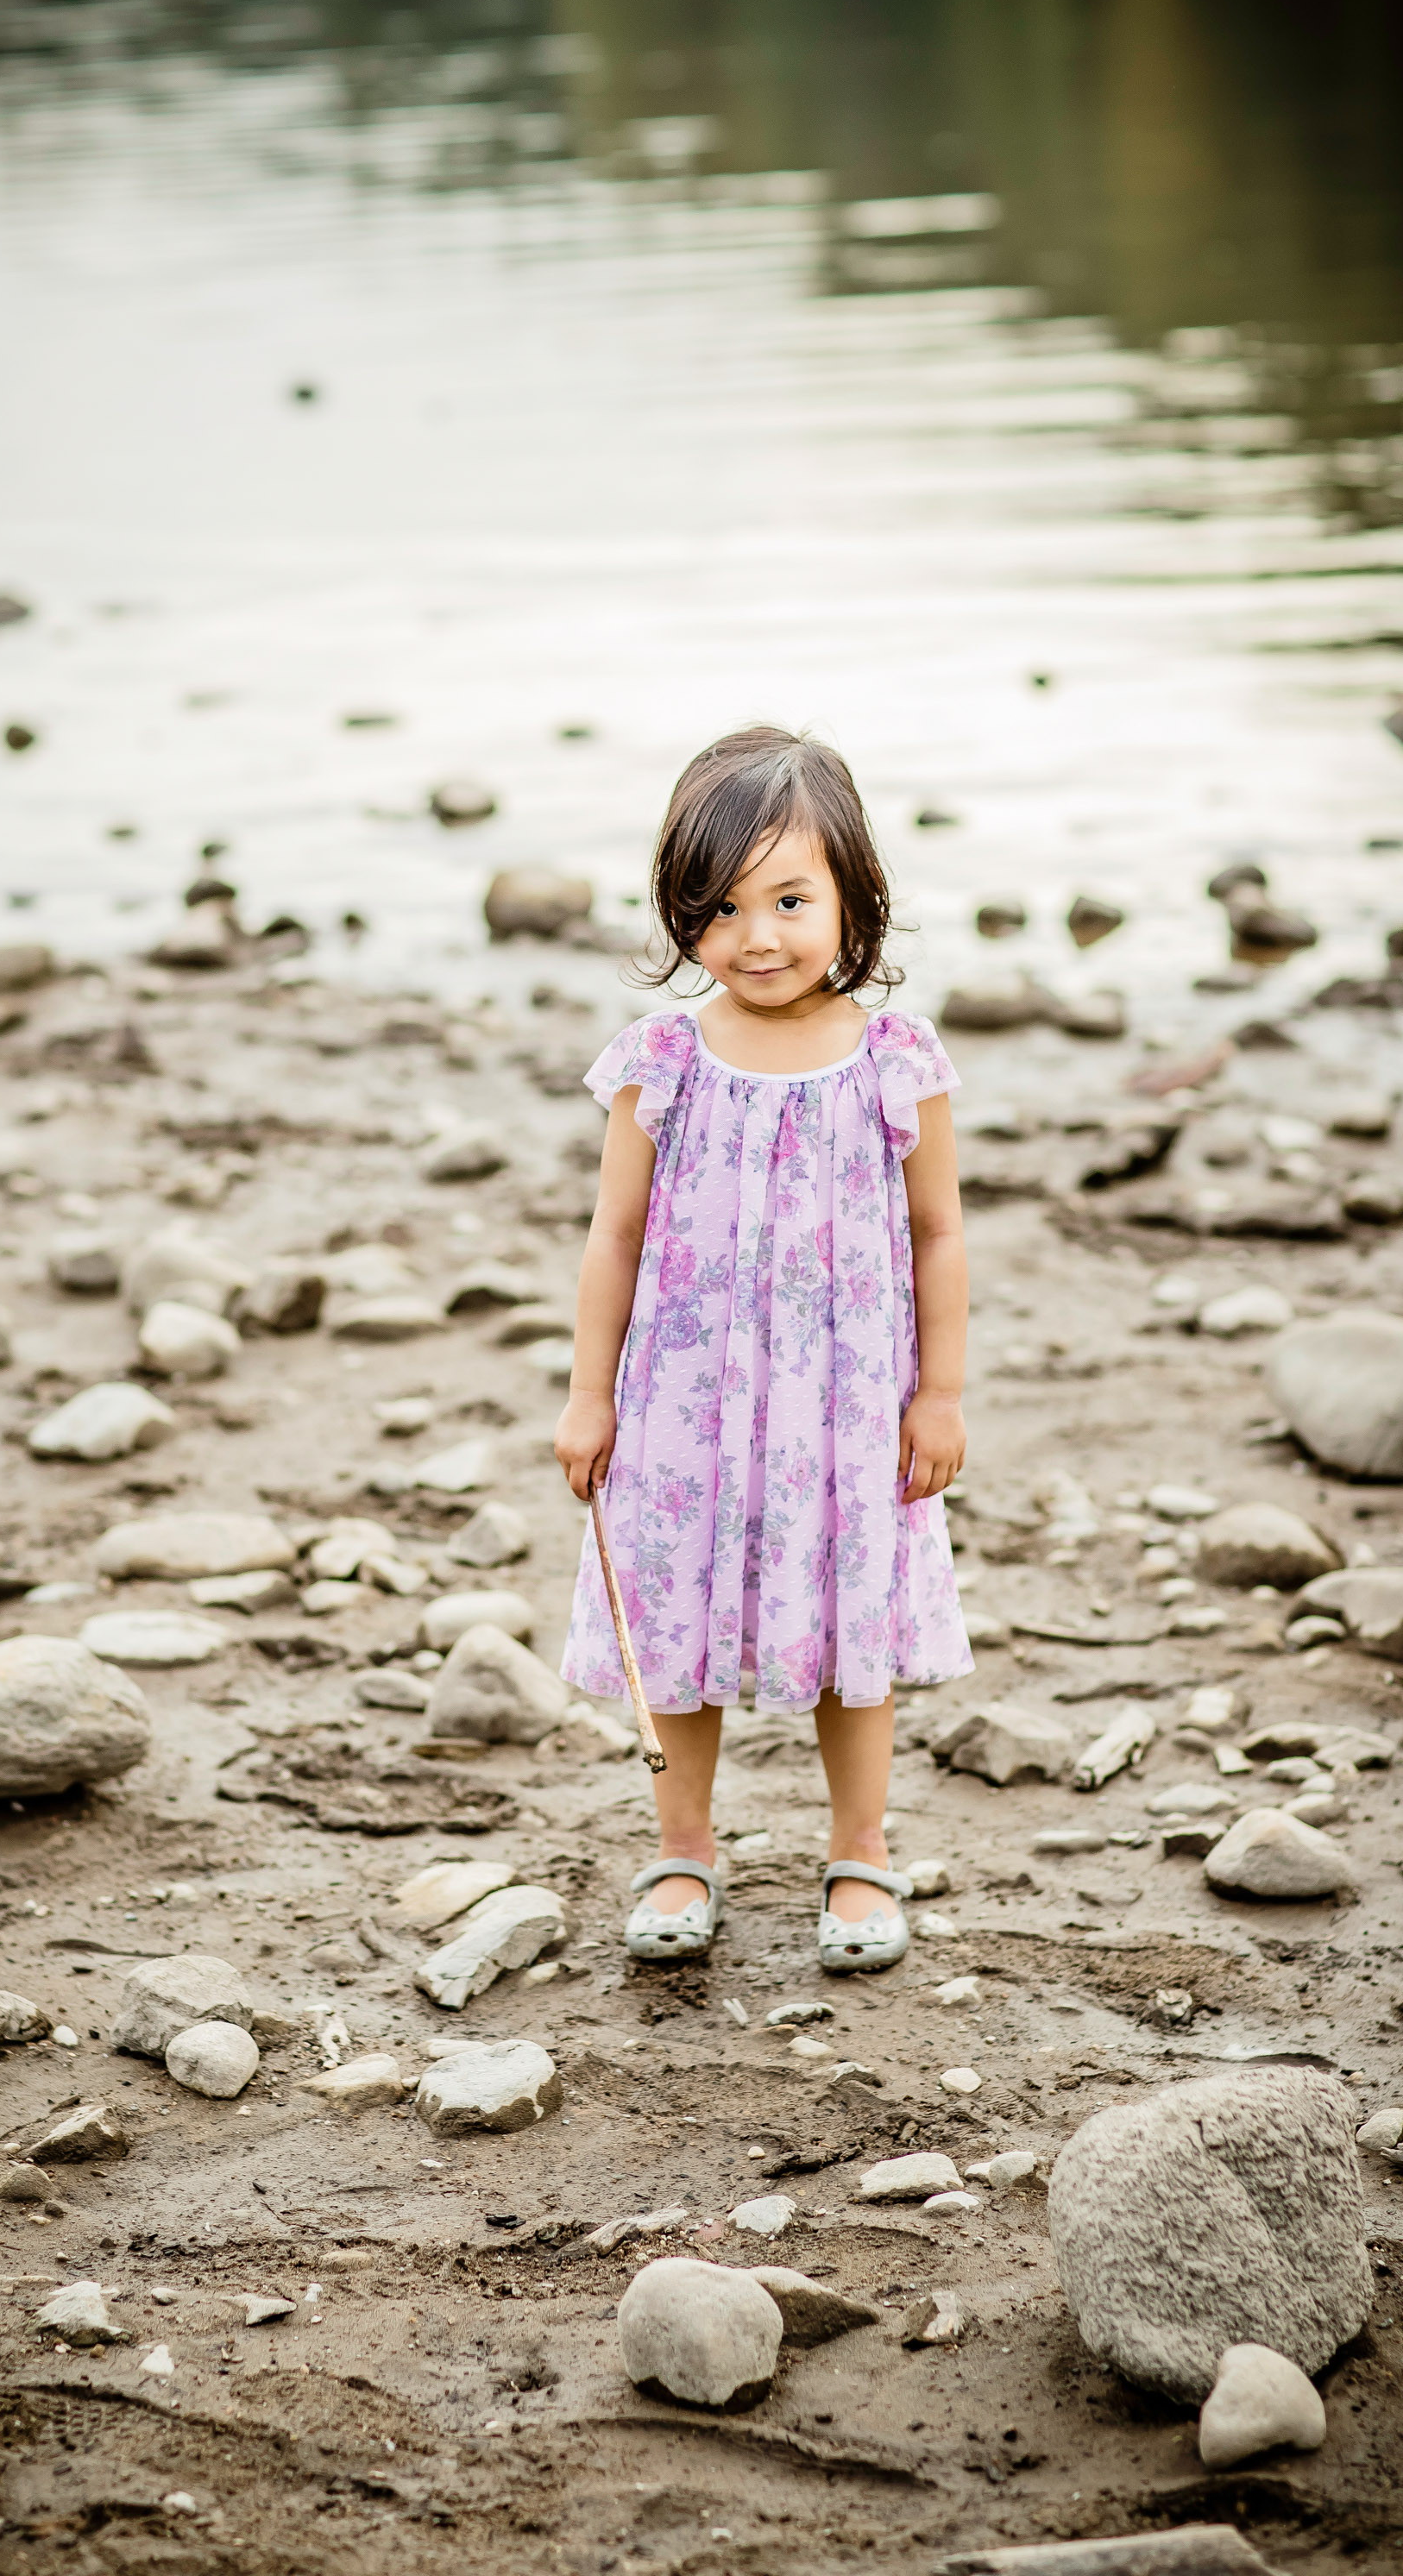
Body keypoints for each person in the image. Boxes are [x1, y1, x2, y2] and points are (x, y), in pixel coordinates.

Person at [554, 726, 972, 1976]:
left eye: (791, 900)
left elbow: (941, 1233)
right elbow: (613, 1238)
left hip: (846, 1404)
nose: (759, 937)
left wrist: (939, 1393)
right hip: (682, 1404)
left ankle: (861, 1852)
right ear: (680, 916)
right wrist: (589, 1396)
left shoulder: (896, 1060)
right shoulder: (664, 1062)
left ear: (853, 895)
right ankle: (684, 1848)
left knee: (855, 1624)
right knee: (675, 1614)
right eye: (720, 908)